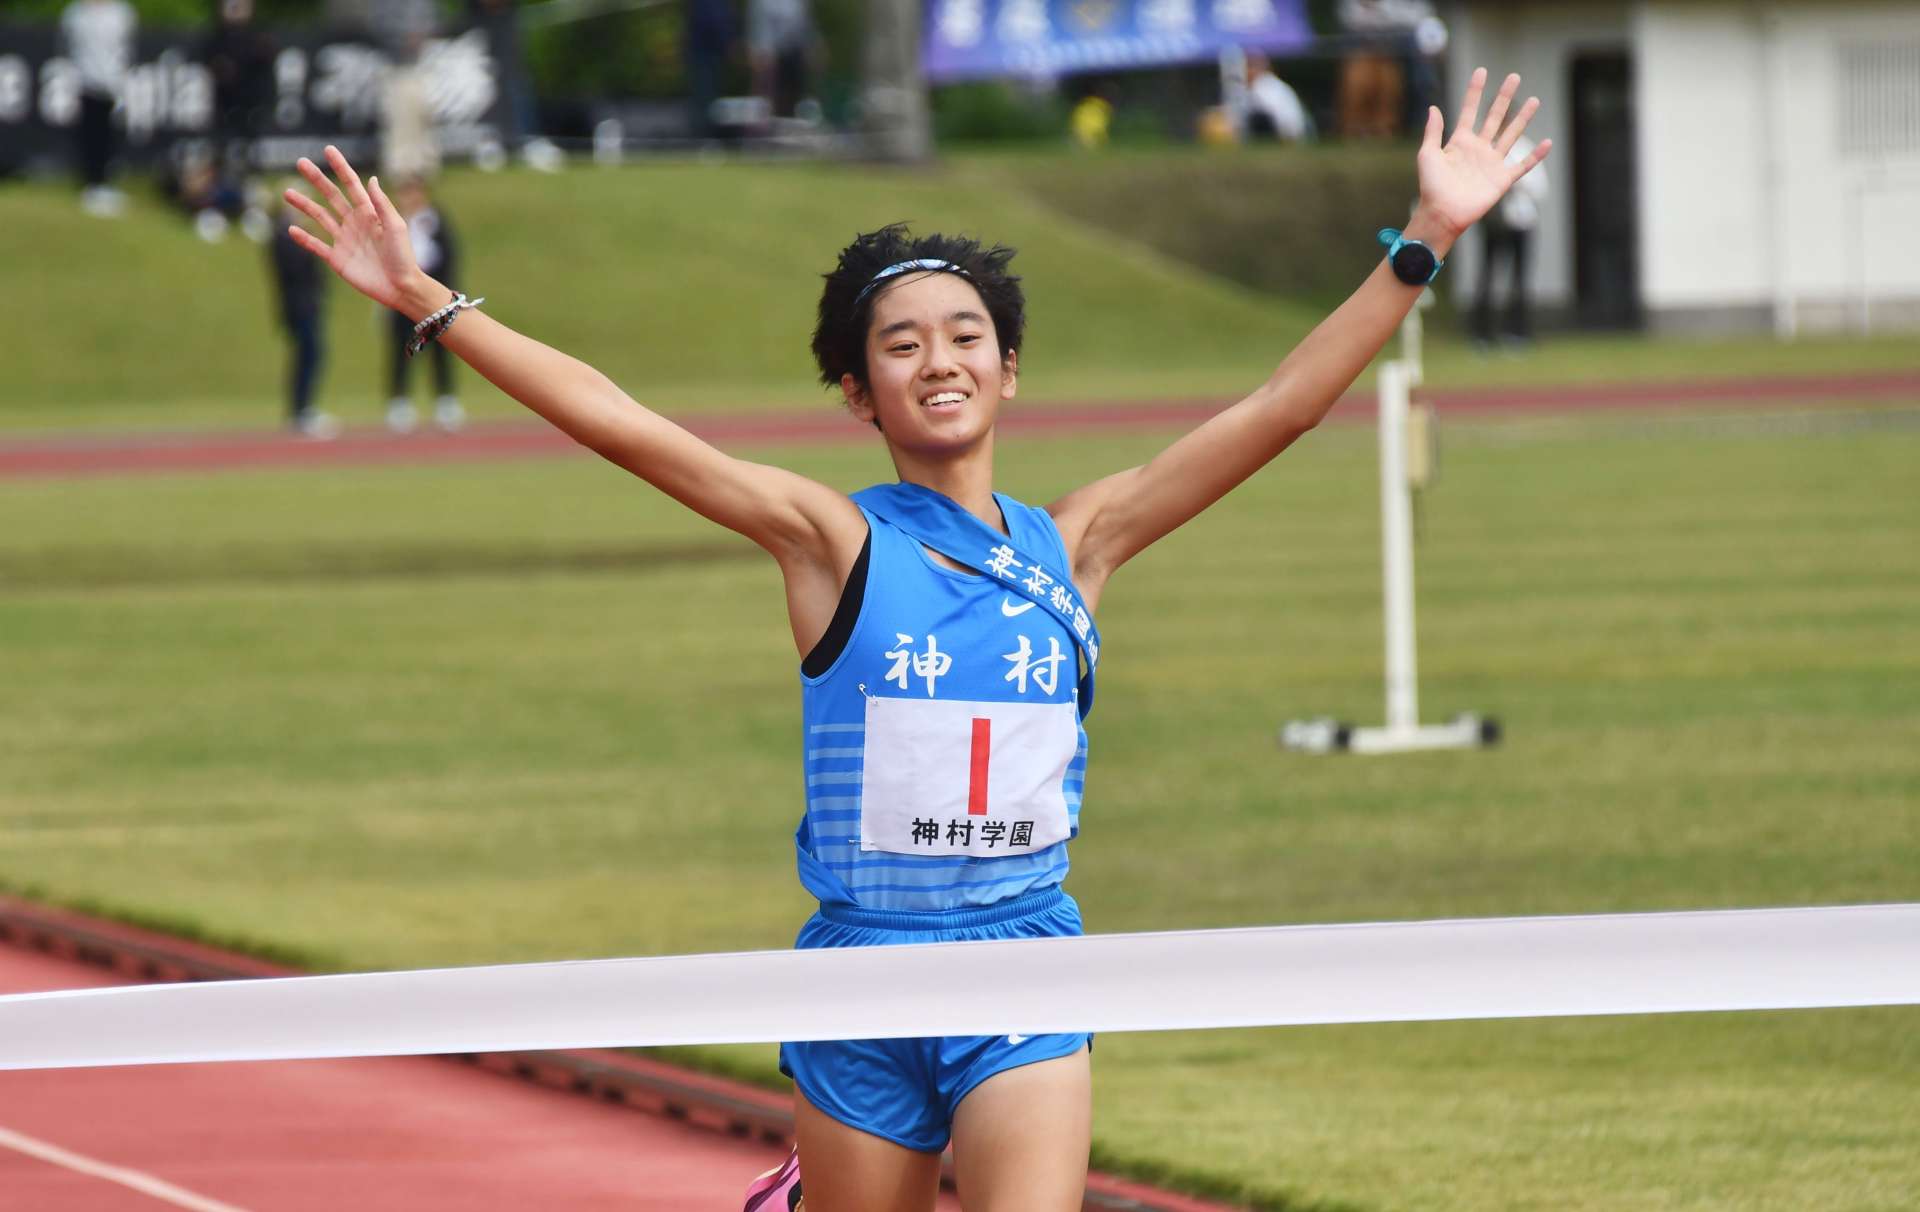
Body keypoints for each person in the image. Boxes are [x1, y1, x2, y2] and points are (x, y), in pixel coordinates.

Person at [283, 68, 1549, 1211]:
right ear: (857, 389)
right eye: (901, 345)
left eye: (964, 339)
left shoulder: (1083, 543)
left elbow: (1280, 409)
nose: (937, 360)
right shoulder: (828, 541)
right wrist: (427, 299)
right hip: (862, 974)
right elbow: (626, 426)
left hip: (1025, 960)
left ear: (1009, 371)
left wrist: (1426, 236)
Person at [382, 179, 463, 432]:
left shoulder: (436, 222)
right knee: (403, 349)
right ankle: (400, 402)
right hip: (403, 299)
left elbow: (450, 257)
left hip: (434, 298)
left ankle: (445, 400)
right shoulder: (395, 224)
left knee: (441, 348)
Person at [268, 189, 337, 438]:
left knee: (312, 355)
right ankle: (300, 410)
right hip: (298, 306)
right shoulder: (282, 237)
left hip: (308, 305)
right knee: (308, 355)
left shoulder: (292, 236)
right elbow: (295, 270)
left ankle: (302, 408)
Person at [60, 0, 136, 216]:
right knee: (90, 133)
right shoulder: (76, 13)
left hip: (113, 83)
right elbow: (69, 46)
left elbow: (125, 47)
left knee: (109, 135)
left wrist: (120, 78)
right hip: (87, 81)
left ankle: (104, 182)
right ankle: (92, 185)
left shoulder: (121, 12)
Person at [1472, 134, 1549, 350]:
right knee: (1487, 278)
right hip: (1494, 222)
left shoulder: (1524, 147)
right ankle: (1482, 334)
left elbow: (1540, 187)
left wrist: (1515, 183)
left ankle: (1517, 332)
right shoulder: (1487, 148)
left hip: (1521, 222)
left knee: (1519, 279)